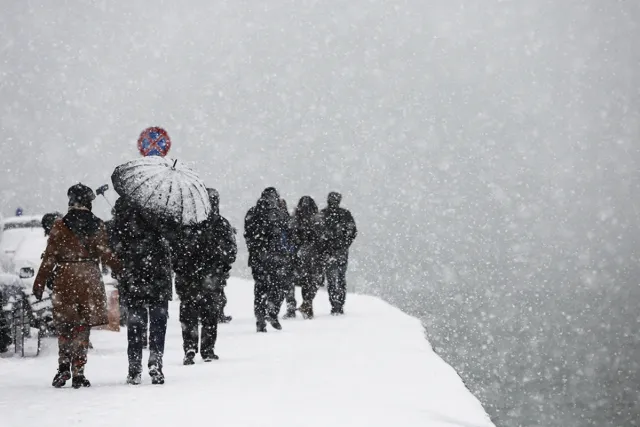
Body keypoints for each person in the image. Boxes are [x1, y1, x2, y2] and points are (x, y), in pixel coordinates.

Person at [32, 183, 120, 388]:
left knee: (65, 325)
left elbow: (49, 257)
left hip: (65, 278)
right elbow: (105, 253)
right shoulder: (97, 224)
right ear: (89, 201)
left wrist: (39, 282)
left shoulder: (59, 225)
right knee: (82, 326)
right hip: (88, 278)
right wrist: (121, 268)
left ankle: (63, 367)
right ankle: (79, 371)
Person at [112, 196, 172, 385]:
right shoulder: (161, 211)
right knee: (158, 324)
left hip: (133, 278)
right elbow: (173, 242)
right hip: (158, 279)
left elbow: (116, 247)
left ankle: (134, 368)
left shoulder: (124, 214)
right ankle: (155, 363)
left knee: (135, 324)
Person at [173, 188, 237, 365]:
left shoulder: (186, 222)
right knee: (209, 313)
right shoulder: (221, 224)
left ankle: (190, 347)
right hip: (211, 277)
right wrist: (222, 266)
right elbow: (231, 251)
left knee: (188, 313)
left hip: (188, 276)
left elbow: (175, 249)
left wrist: (180, 267)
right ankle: (207, 349)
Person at [244, 187, 289, 332]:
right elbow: (287, 232)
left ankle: (262, 316)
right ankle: (269, 313)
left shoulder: (254, 212)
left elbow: (248, 235)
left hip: (263, 257)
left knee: (262, 288)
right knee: (275, 287)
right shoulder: (275, 213)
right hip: (272, 257)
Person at [320, 192, 357, 315]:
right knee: (339, 278)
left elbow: (316, 234)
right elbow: (352, 232)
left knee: (333, 279)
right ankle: (338, 304)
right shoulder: (345, 214)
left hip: (329, 251)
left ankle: (336, 304)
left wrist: (325, 245)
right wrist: (344, 245)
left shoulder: (323, 214)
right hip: (338, 251)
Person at [290, 196, 325, 319]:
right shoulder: (317, 220)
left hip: (301, 255)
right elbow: (322, 239)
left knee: (306, 282)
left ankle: (307, 305)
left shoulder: (295, 220)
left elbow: (293, 238)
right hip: (314, 256)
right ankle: (307, 303)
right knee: (313, 282)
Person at [277, 198, 297, 319]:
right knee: (289, 285)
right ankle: (290, 308)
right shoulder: (290, 221)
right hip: (288, 256)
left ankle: (275, 309)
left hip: (279, 256)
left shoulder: (275, 221)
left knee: (277, 284)